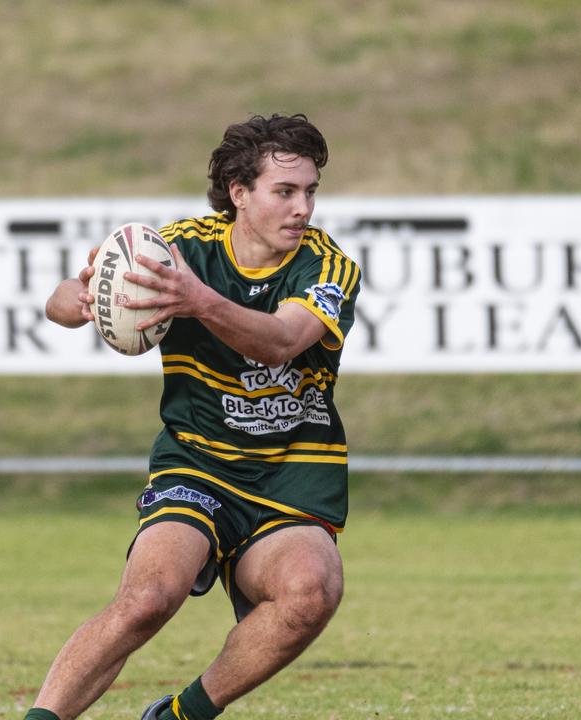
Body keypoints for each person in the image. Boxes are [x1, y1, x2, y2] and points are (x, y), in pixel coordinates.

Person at [24, 113, 361, 720]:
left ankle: (182, 714)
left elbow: (283, 340)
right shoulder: (180, 249)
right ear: (240, 193)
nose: (303, 207)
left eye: (311, 190)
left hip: (292, 474)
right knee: (149, 598)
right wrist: (83, 298)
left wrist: (197, 300)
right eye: (285, 191)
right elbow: (57, 302)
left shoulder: (327, 267)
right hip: (197, 463)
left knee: (312, 593)